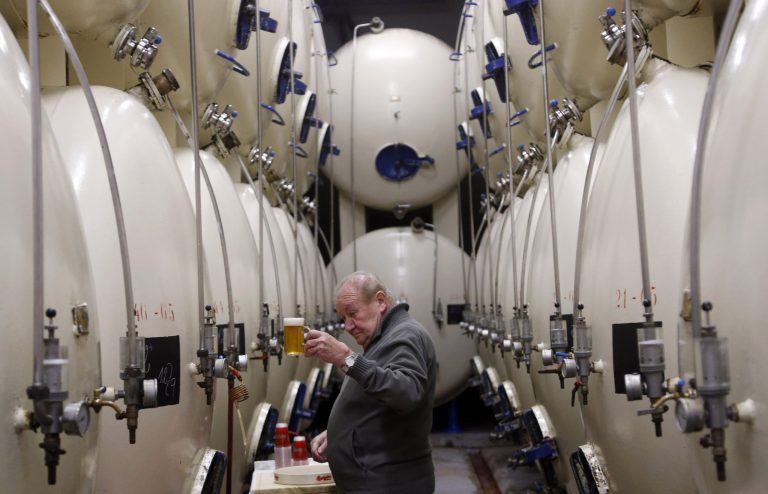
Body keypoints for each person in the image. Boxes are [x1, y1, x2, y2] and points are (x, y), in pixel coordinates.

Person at [303, 271, 437, 494]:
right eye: (343, 318)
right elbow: (379, 399)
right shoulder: (383, 338)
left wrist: (347, 358)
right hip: (375, 479)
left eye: (352, 313)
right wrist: (340, 433)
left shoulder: (405, 335)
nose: (348, 325)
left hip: (389, 482)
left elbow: (405, 393)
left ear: (381, 302)